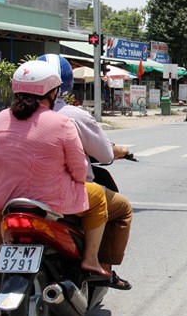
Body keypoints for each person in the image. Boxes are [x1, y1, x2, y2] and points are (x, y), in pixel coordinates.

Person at [0, 60, 110, 316]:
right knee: (101, 200)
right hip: (53, 202)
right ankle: (91, 260)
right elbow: (80, 170)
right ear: (51, 93)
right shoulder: (61, 122)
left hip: (6, 201)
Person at [38, 54, 133, 290]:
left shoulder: (11, 116)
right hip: (61, 193)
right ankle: (101, 266)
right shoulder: (70, 117)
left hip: (17, 191)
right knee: (120, 208)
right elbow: (97, 158)